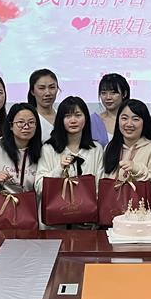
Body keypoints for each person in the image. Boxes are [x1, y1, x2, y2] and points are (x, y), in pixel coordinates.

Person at [34, 96, 104, 226]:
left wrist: (91, 215)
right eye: (67, 116)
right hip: (54, 225)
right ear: (60, 120)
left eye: (78, 115)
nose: (73, 120)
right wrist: (59, 169)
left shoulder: (96, 149)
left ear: (86, 118)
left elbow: (100, 187)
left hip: (86, 223)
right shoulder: (48, 149)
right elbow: (39, 187)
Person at [0, 103, 42, 194]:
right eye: (20, 122)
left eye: (31, 122)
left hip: (29, 201)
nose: (26, 127)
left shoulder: (42, 151)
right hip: (0, 200)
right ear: (11, 126)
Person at [101, 99, 151, 195]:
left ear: (145, 122)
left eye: (135, 119)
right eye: (124, 118)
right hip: (111, 203)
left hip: (140, 204)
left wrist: (137, 169)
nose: (129, 124)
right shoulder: (110, 147)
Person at [90, 73, 130, 147]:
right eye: (103, 93)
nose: (108, 97)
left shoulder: (133, 120)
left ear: (124, 94)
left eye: (113, 93)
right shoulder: (93, 121)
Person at [27, 69, 59, 141]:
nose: (47, 93)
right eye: (41, 88)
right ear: (32, 91)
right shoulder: (29, 119)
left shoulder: (62, 116)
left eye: (52, 87)